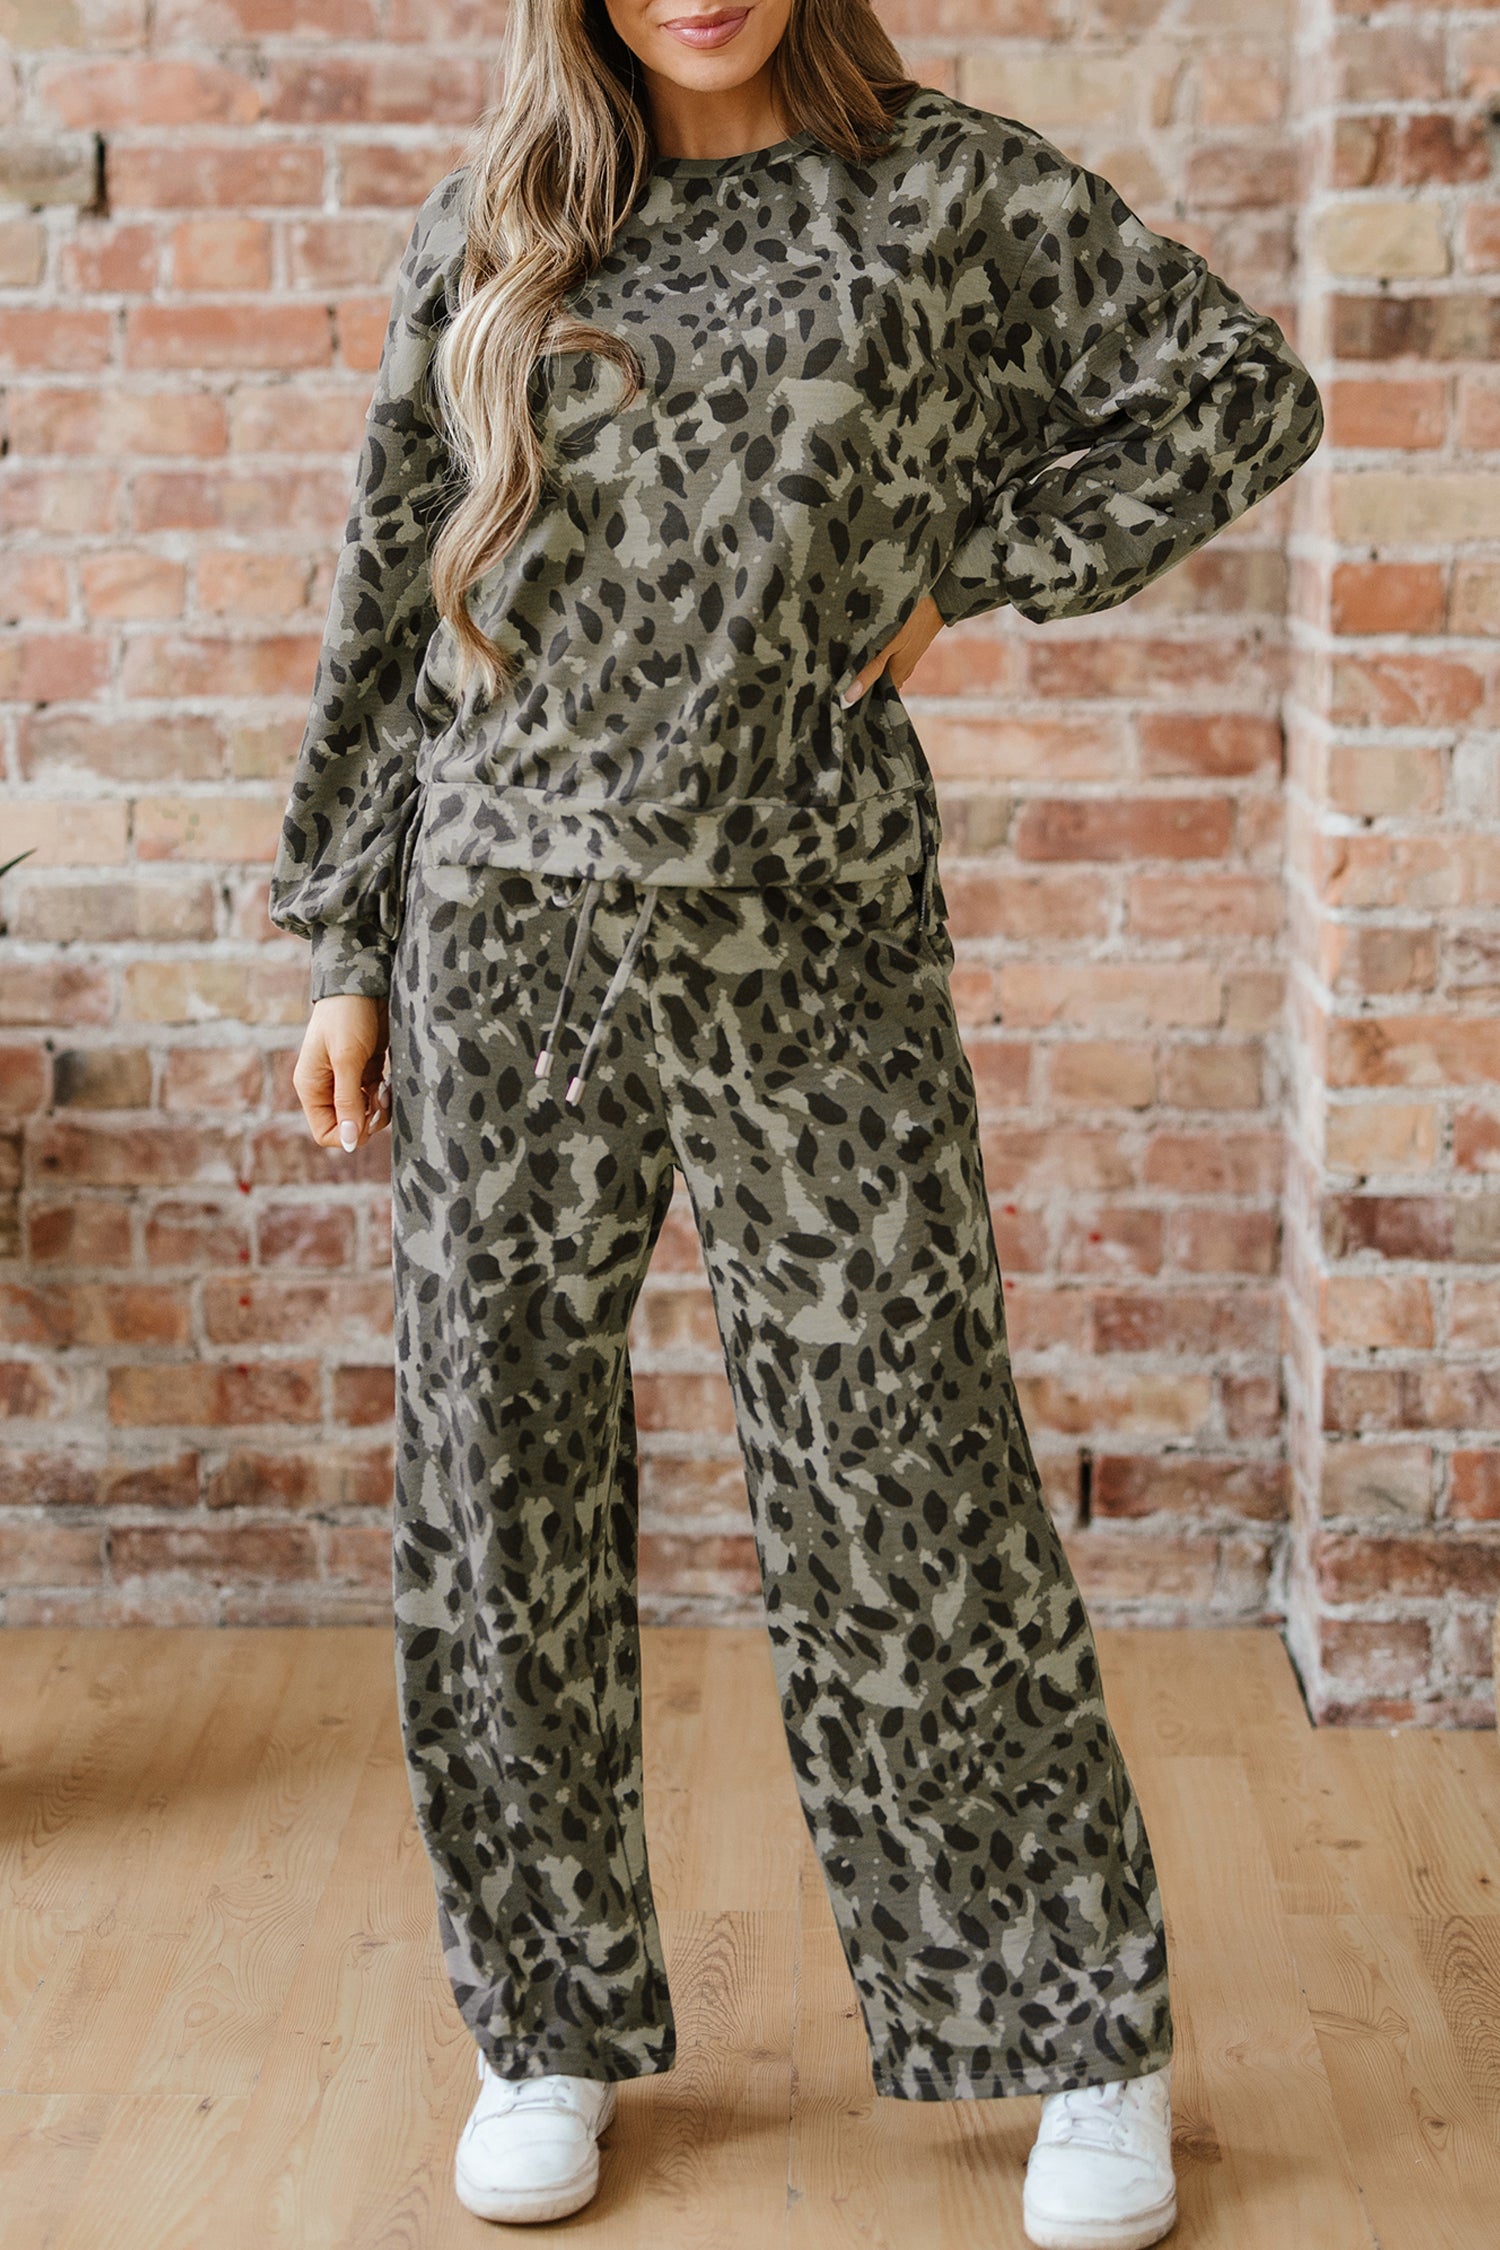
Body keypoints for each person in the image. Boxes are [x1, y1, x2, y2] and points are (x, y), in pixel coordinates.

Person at [268, 0, 1323, 2239]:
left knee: (908, 1473)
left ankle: (1078, 2034)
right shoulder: (493, 229)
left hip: (808, 931)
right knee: (496, 1486)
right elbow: (385, 580)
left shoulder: (941, 197)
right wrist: (345, 940)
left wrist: (967, 571)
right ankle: (538, 2017)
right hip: (501, 931)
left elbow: (1240, 390)